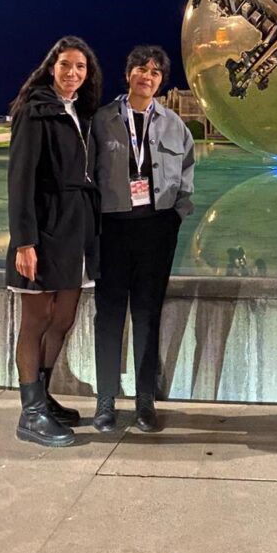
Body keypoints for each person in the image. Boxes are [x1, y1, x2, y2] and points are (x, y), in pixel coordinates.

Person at [90, 45, 194, 432]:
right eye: (140, 69)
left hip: (156, 231)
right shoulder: (102, 121)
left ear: (161, 81)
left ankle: (145, 401)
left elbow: (187, 175)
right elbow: (87, 174)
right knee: (109, 315)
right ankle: (105, 401)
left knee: (148, 315)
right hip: (112, 230)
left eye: (154, 72)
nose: (146, 76)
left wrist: (174, 219)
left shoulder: (174, 125)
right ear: (128, 73)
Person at [6, 35, 102, 447]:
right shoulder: (35, 111)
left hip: (76, 231)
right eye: (66, 65)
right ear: (51, 68)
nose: (73, 73)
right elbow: (20, 179)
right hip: (45, 230)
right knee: (37, 320)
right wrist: (25, 241)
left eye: (80, 67)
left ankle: (42, 396)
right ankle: (30, 413)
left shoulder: (80, 112)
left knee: (63, 318)